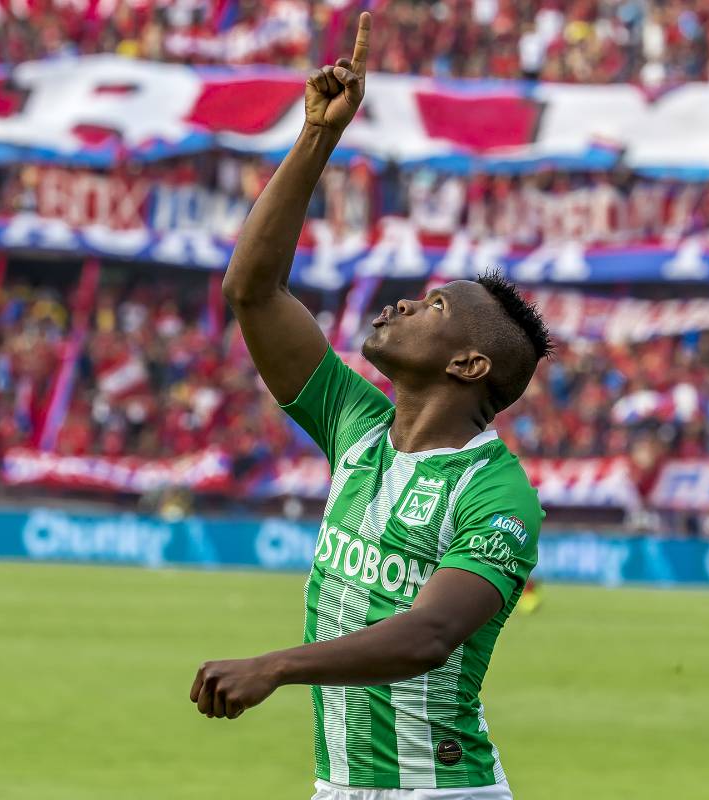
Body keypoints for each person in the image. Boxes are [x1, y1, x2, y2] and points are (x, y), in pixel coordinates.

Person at [189, 13, 551, 800]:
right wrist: (317, 135)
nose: (404, 304)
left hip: (440, 791)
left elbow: (429, 634)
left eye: (433, 307)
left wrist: (275, 666)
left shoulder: (496, 492)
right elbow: (253, 291)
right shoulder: (357, 426)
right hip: (340, 786)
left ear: (467, 364)